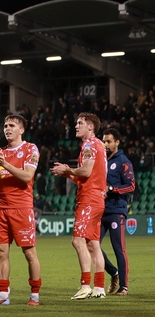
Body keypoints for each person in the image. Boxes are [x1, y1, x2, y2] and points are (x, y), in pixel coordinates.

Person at [0, 114, 42, 306]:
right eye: (5, 125)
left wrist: (4, 164)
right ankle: (2, 295)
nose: (7, 128)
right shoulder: (0, 152)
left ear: (21, 130)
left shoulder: (30, 149)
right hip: (2, 209)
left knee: (29, 253)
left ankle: (34, 295)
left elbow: (27, 176)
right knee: (1, 252)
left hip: (22, 209)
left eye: (12, 125)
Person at [52, 112, 108, 299]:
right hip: (98, 197)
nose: (76, 126)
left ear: (90, 127)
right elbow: (84, 177)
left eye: (80, 123)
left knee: (77, 241)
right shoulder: (100, 145)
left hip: (89, 199)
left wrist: (68, 169)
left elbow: (85, 171)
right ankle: (99, 288)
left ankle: (85, 286)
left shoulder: (90, 145)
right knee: (93, 244)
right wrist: (67, 173)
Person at [99, 128, 134, 295]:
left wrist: (112, 188)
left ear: (117, 142)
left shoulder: (123, 162)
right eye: (104, 141)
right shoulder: (101, 161)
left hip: (116, 210)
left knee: (118, 248)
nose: (105, 144)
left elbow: (131, 185)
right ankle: (114, 273)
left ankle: (124, 286)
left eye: (109, 141)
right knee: (91, 246)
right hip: (100, 210)